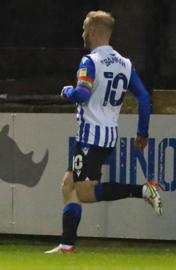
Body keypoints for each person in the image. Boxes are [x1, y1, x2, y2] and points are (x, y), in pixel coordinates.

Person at [45, 10, 162, 254]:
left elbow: (82, 94)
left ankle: (143, 190)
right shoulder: (125, 64)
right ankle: (67, 244)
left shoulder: (90, 61)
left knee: (83, 192)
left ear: (95, 31)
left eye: (85, 28)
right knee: (68, 184)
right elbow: (144, 97)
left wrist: (66, 91)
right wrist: (142, 133)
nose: (83, 33)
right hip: (106, 135)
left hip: (90, 136)